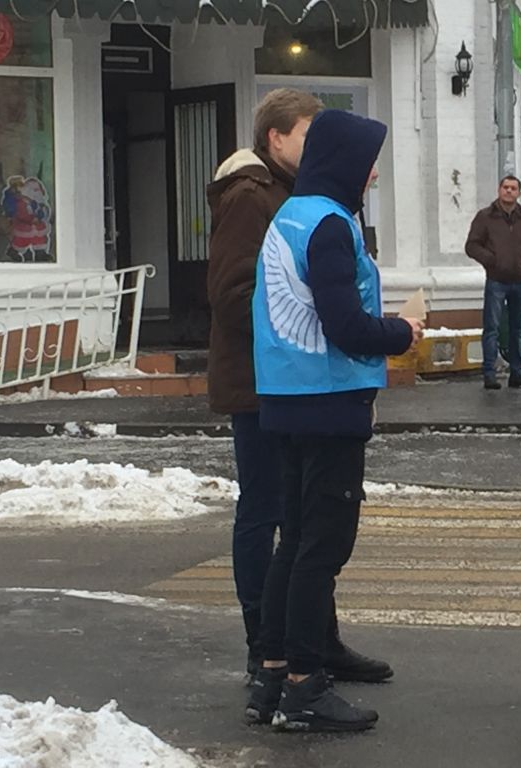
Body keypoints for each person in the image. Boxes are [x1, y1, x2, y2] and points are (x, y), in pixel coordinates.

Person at [244, 109, 425, 732]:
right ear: (346, 161)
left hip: (287, 399)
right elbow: (345, 326)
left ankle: (270, 677)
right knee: (322, 549)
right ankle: (303, 687)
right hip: (328, 402)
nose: (373, 173)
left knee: (294, 543)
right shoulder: (327, 224)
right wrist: (403, 331)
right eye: (369, 160)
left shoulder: (288, 216)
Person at [206, 88, 322, 681]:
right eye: (307, 133)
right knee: (264, 510)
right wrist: (307, 314)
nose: (316, 144)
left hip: (288, 378)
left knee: (303, 517)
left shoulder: (288, 190)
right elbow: (232, 295)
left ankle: (310, 641)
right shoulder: (251, 196)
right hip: (259, 383)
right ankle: (264, 645)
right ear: (276, 138)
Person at [465, 175, 521, 390]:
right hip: (496, 281)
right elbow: (472, 245)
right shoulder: (486, 217)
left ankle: (517, 372)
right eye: (505, 187)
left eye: (513, 188)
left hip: (520, 281)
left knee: (518, 330)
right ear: (499, 190)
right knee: (492, 328)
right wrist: (491, 260)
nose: (509, 191)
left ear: (519, 192)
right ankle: (489, 373)